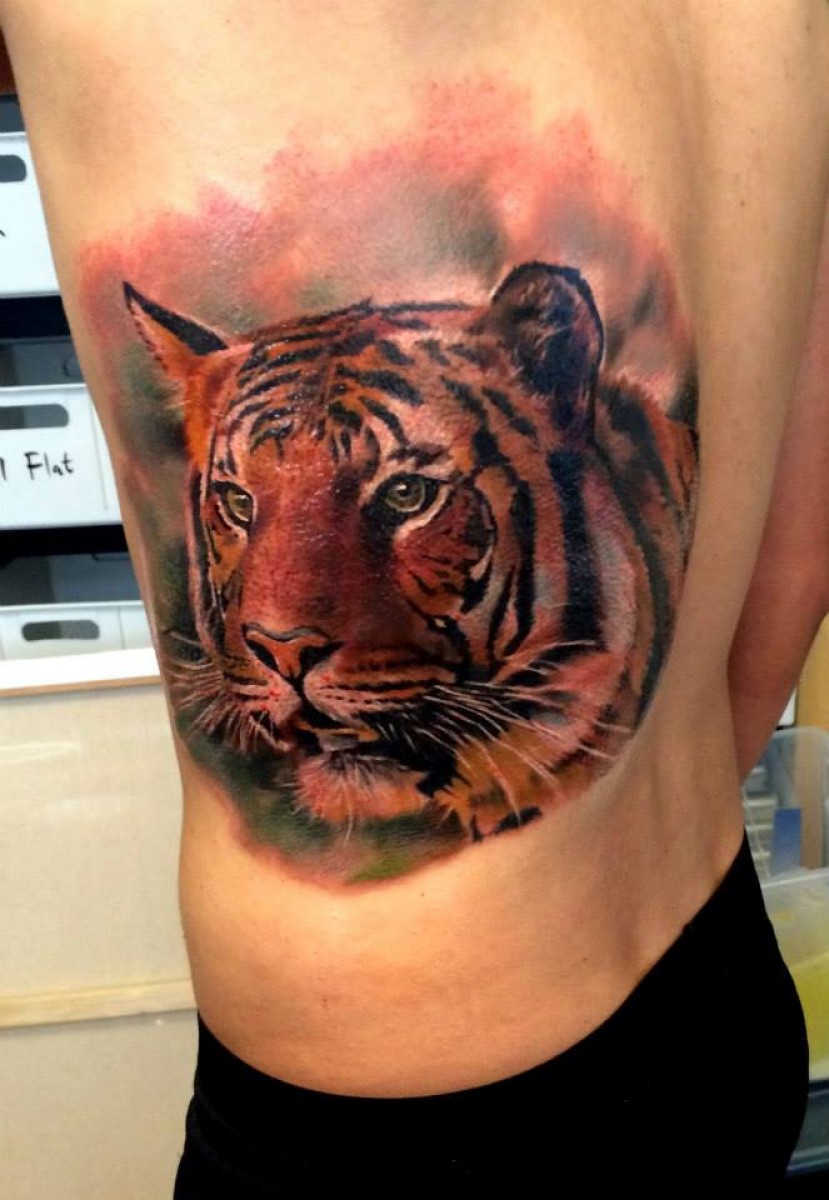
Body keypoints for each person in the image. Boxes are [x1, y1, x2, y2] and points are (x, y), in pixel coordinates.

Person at [2, 3, 828, 1193]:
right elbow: (795, 564)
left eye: (406, 494)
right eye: (238, 505)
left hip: (397, 1127)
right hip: (715, 993)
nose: (279, 626)